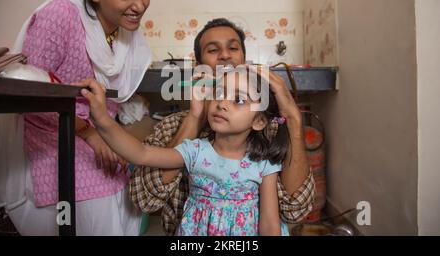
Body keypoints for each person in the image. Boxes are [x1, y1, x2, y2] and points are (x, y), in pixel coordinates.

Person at [5, 0, 153, 235]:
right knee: (100, 200)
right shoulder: (60, 16)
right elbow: (32, 94)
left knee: (130, 186)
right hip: (50, 133)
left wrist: (107, 134)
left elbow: (114, 100)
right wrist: (89, 132)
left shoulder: (125, 33)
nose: (139, 6)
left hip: (99, 133)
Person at [130, 18, 315, 235]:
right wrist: (194, 117)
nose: (225, 55)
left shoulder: (267, 129)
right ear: (198, 66)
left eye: (233, 48)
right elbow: (146, 200)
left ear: (243, 59)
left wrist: (293, 119)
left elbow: (295, 210)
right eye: (213, 49)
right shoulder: (173, 125)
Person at [77, 66, 291, 236]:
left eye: (239, 100)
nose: (222, 104)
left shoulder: (264, 163)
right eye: (218, 93)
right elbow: (140, 153)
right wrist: (102, 120)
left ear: (260, 121)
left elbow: (270, 225)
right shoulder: (195, 151)